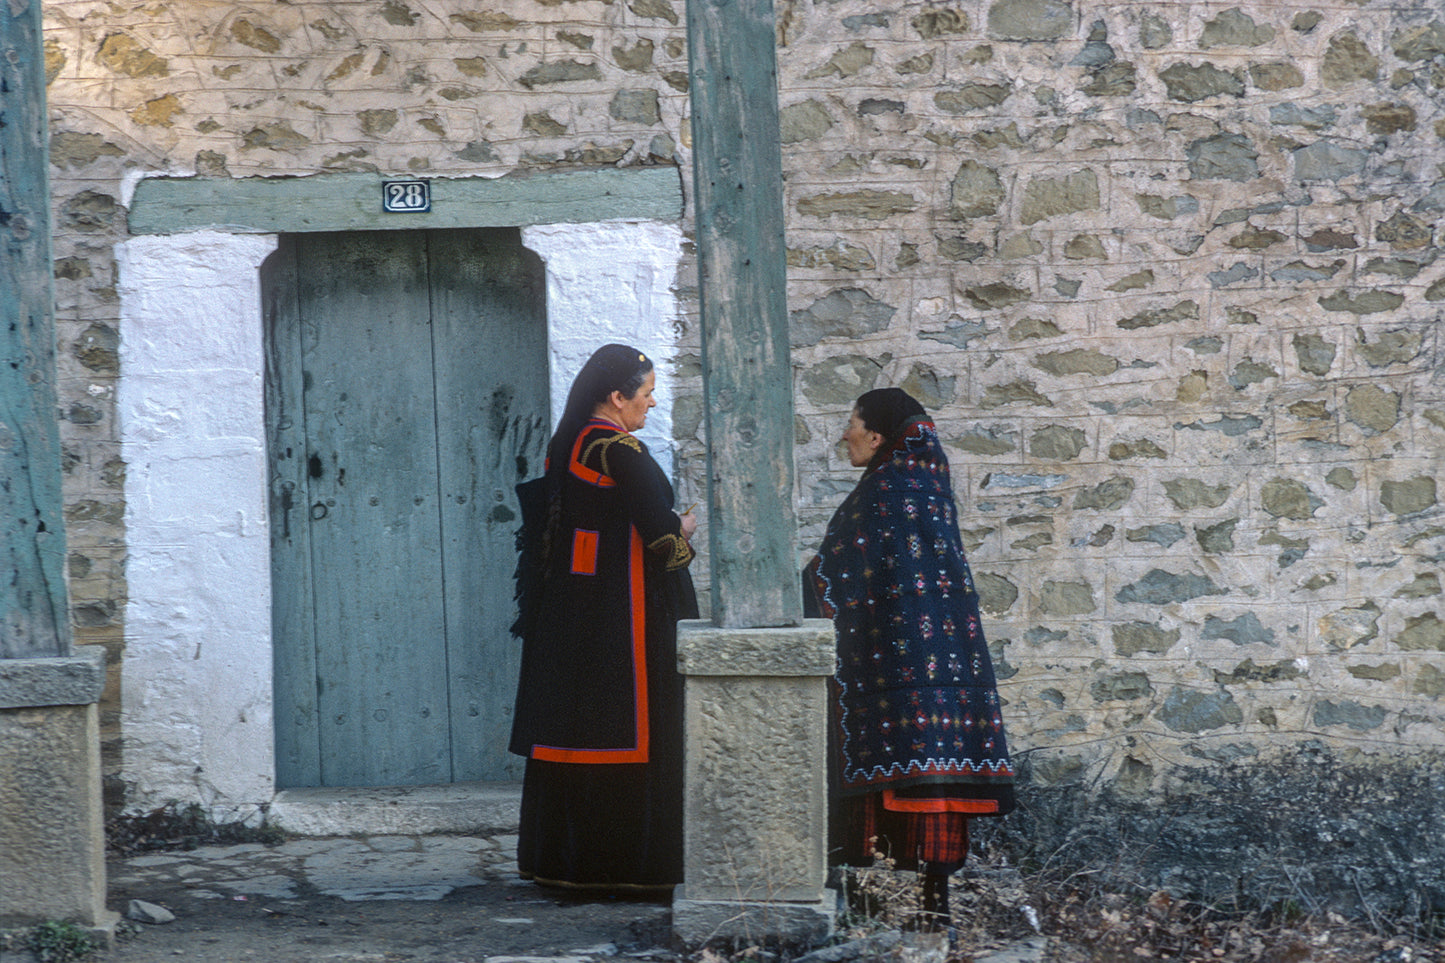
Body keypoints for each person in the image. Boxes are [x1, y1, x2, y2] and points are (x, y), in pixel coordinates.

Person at [807, 387, 1016, 931]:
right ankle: (932, 904)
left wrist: (802, 588)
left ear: (876, 436)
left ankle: (876, 903)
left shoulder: (885, 489)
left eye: (850, 424)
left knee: (896, 762)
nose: (843, 435)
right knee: (934, 769)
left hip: (898, 659)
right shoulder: (929, 484)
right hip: (946, 656)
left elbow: (836, 571)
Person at [509, 344, 698, 893]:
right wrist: (683, 529)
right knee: (635, 726)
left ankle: (561, 863)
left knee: (573, 729)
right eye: (646, 392)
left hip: (573, 615)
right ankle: (631, 868)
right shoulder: (619, 449)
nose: (653, 401)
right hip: (625, 619)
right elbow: (661, 539)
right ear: (617, 398)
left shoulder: (567, 443)